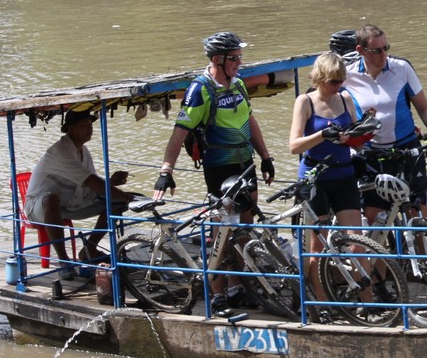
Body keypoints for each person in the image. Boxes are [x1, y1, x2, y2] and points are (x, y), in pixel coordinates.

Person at [152, 31, 276, 314]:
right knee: (222, 230)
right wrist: (166, 170)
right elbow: (179, 132)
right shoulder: (201, 89)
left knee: (243, 229)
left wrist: (266, 157)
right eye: (234, 58)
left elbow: (249, 119)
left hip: (245, 163)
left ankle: (238, 286)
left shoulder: (239, 84)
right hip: (219, 167)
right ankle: (217, 292)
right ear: (217, 60)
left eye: (241, 57)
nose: (239, 63)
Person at [343, 24, 427, 287]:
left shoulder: (401, 68)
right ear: (360, 51)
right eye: (376, 50)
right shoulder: (347, 76)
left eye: (386, 48)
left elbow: (424, 107)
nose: (383, 54)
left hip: (407, 151)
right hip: (371, 156)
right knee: (375, 220)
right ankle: (381, 283)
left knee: (420, 216)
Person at [288, 52, 367, 304]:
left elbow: (355, 134)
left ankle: (369, 301)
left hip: (344, 175)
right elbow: (294, 146)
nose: (339, 86)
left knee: (357, 241)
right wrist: (323, 135)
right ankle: (321, 303)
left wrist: (362, 132)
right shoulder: (305, 101)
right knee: (318, 244)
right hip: (315, 180)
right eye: (334, 81)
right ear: (320, 78)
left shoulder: (344, 98)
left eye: (341, 81)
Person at [24, 110, 134, 280]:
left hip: (71, 202)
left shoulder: (84, 151)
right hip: (37, 207)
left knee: (115, 203)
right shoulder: (61, 151)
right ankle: (64, 261)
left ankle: (89, 248)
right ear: (70, 129)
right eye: (84, 125)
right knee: (51, 199)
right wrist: (123, 195)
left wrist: (112, 185)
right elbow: (91, 181)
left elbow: (92, 185)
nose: (89, 129)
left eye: (90, 125)